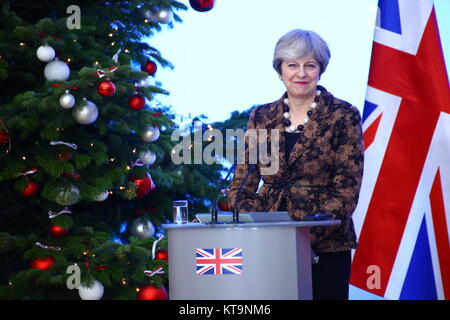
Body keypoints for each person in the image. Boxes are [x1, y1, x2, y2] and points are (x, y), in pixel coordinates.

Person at [228, 29, 364, 300]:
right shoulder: (262, 116)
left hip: (326, 244)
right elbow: (241, 183)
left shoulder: (343, 114)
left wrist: (301, 236)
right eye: (292, 65)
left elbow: (347, 189)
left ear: (320, 70)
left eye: (309, 65)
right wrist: (262, 223)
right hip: (268, 242)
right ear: (280, 70)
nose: (300, 73)